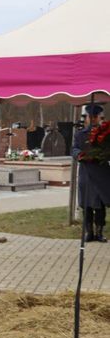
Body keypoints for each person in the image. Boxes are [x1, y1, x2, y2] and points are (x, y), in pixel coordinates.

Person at [72, 104, 107, 243]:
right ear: (86, 118)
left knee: (100, 205)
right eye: (89, 117)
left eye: (95, 117)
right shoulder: (80, 134)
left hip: (100, 173)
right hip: (86, 173)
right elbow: (74, 149)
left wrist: (103, 155)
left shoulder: (105, 134)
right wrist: (80, 154)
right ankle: (89, 232)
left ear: (99, 118)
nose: (92, 119)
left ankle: (99, 233)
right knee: (86, 205)